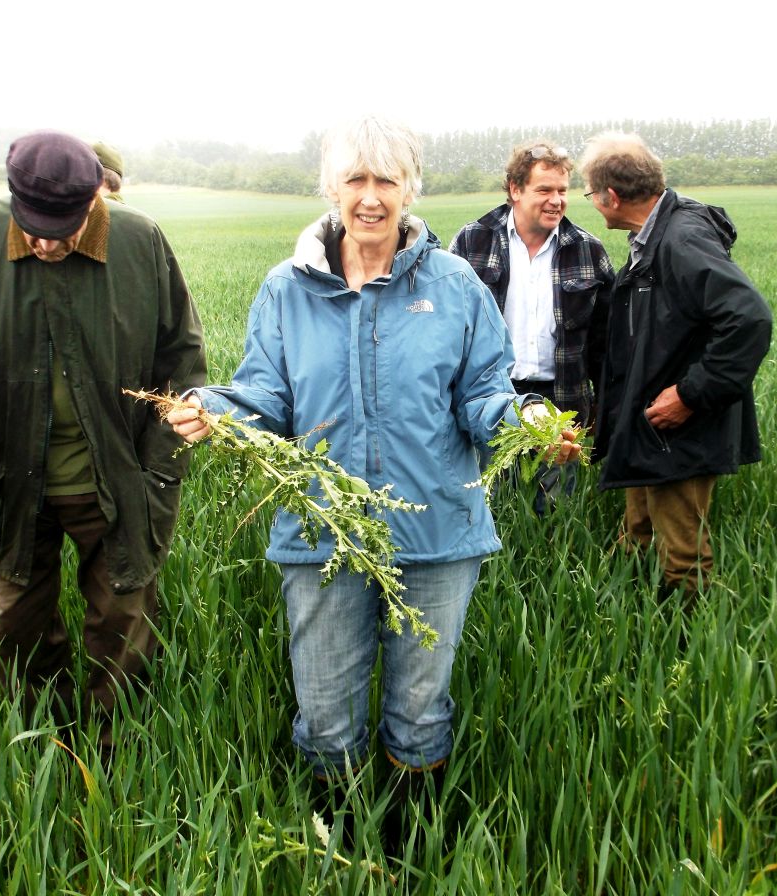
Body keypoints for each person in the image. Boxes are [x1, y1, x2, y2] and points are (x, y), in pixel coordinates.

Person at [167, 116, 579, 853]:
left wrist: (531, 420)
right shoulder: (287, 289)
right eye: (355, 179)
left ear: (409, 188)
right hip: (321, 533)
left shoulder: (452, 285)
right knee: (325, 711)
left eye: (386, 180)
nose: (370, 197)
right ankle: (339, 842)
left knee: (421, 707)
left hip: (437, 530)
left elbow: (485, 393)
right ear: (332, 187)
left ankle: (415, 841)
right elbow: (263, 396)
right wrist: (214, 409)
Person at [0, 131, 206, 748]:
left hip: (119, 479)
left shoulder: (138, 241)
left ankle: (112, 744)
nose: (45, 241)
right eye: (33, 224)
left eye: (62, 227)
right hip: (13, 480)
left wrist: (158, 468)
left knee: (123, 620)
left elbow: (181, 362)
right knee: (16, 623)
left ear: (95, 200)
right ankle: (38, 742)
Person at [580, 133, 772, 604]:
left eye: (589, 194)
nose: (592, 206)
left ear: (613, 196)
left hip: (679, 427)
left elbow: (749, 318)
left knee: (683, 557)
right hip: (651, 423)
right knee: (637, 534)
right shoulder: (653, 234)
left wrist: (690, 395)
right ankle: (626, 618)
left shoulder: (681, 239)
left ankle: (689, 650)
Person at [450, 140, 614, 511]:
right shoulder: (472, 241)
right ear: (515, 189)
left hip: (562, 399)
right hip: (492, 397)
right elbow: (447, 332)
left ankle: (549, 560)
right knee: (489, 504)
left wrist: (603, 407)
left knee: (555, 507)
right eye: (544, 190)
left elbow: (606, 342)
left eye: (562, 190)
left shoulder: (588, 249)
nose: (556, 200)